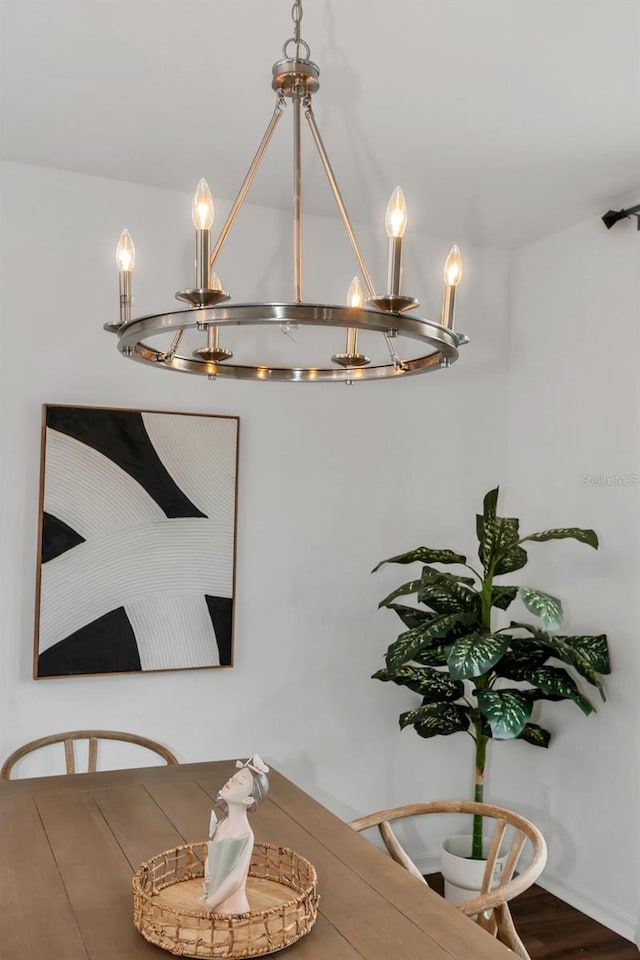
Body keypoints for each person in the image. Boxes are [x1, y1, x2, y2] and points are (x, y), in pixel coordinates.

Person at [202, 754, 269, 914]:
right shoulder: (223, 823)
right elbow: (212, 857)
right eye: (233, 778)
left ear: (248, 800)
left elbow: (235, 879)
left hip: (232, 911)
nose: (231, 781)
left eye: (240, 782)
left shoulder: (245, 835)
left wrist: (212, 902)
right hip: (214, 906)